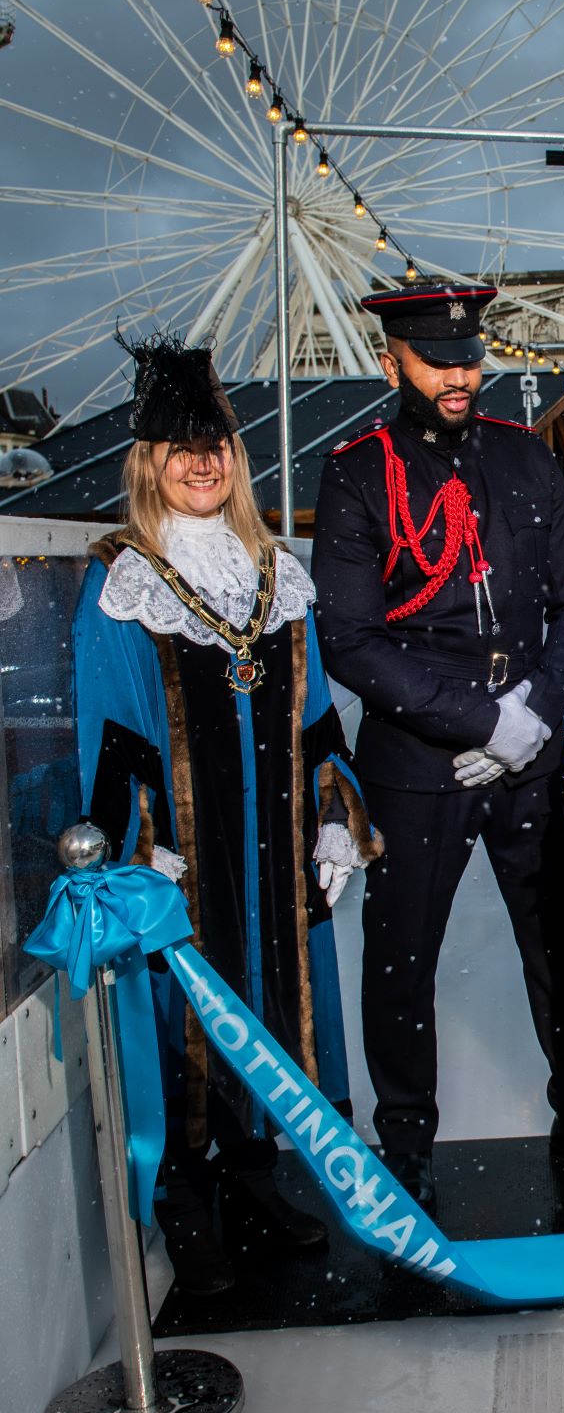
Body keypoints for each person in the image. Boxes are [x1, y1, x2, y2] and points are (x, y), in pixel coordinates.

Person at [73, 332, 379, 1294]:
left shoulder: (277, 578)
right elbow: (112, 739)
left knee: (273, 1012)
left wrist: (337, 816)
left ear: (237, 461)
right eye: (180, 447)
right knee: (187, 1024)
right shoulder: (121, 586)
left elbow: (320, 717)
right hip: (187, 866)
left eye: (216, 446)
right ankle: (186, 1205)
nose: (202, 462)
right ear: (149, 464)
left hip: (276, 855)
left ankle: (253, 1183)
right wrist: (137, 852)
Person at [311, 282, 564, 1216]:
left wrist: (534, 715)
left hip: (531, 752)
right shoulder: (356, 471)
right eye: (439, 360)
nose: (460, 376)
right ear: (392, 359)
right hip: (414, 763)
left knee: (563, 947)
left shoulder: (526, 458)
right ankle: (405, 1148)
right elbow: (351, 643)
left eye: (471, 359)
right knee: (401, 963)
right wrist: (479, 723)